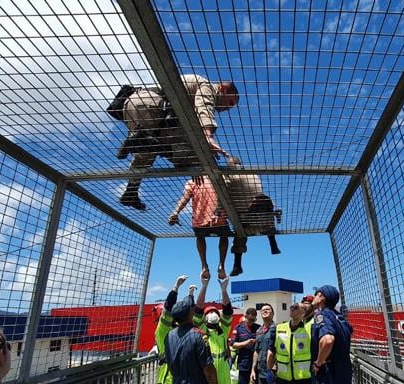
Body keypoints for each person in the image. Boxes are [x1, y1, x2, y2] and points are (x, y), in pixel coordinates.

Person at [115, 75, 239, 210]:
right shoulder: (207, 86)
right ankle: (143, 140)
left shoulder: (192, 88)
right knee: (190, 151)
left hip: (132, 106)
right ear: (223, 89)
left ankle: (131, 191)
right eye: (230, 102)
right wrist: (207, 137)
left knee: (144, 154)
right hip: (154, 107)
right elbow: (204, 104)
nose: (228, 108)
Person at [222, 156, 281, 276]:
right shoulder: (254, 175)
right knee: (264, 204)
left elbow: (223, 191)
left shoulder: (230, 175)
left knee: (239, 234)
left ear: (232, 165)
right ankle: (273, 243)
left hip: (245, 221)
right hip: (264, 220)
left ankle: (237, 265)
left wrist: (219, 209)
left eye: (228, 165)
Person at [168, 176, 231, 280]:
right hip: (219, 219)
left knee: (200, 237)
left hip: (200, 221)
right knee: (224, 236)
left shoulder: (192, 181)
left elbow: (185, 198)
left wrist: (176, 212)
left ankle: (204, 265)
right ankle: (222, 265)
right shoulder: (220, 178)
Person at [154, 275, 192, 384]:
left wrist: (190, 296)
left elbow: (188, 313)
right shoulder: (163, 332)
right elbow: (169, 308)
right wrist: (175, 288)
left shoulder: (180, 331)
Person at [230, 307, 259, 384]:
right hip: (243, 363)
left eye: (253, 319)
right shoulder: (238, 328)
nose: (251, 322)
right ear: (245, 316)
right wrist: (246, 343)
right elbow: (233, 344)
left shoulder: (258, 328)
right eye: (250, 319)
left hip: (256, 363)